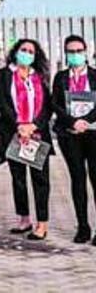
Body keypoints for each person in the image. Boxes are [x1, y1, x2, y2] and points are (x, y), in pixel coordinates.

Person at [0, 38, 53, 240]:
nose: (26, 53)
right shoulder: (3, 75)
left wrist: (33, 126)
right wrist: (19, 126)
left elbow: (47, 106)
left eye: (31, 51)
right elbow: (2, 103)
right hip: (15, 133)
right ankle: (24, 219)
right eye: (23, 49)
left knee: (40, 180)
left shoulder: (40, 77)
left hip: (37, 134)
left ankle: (42, 223)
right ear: (15, 51)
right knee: (18, 179)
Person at [51, 35, 96, 244]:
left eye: (79, 51)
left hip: (93, 133)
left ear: (86, 52)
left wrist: (85, 121)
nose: (75, 55)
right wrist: (72, 122)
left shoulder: (94, 75)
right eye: (71, 51)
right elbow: (56, 104)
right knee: (77, 180)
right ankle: (83, 226)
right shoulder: (61, 77)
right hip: (70, 136)